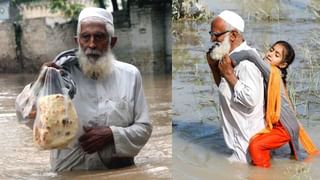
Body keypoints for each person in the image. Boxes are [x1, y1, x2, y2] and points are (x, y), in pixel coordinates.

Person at [15, 7, 152, 171]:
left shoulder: (130, 75)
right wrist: (40, 83)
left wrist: (112, 134)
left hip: (118, 171)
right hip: (71, 173)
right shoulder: (60, 77)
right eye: (85, 37)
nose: (92, 44)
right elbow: (24, 116)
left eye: (99, 37)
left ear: (112, 42)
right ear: (77, 41)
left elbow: (144, 128)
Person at [229, 41, 318, 167]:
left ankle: (264, 173)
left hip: (285, 127)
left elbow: (251, 55)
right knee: (297, 160)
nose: (271, 54)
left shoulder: (271, 72)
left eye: (277, 55)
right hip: (287, 124)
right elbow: (257, 56)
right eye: (271, 50)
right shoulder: (275, 73)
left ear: (283, 64)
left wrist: (229, 60)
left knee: (256, 145)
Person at [206, 10, 265, 163]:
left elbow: (251, 99)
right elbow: (226, 89)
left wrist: (230, 75)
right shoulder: (229, 59)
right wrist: (214, 67)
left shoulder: (246, 63)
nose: (212, 39)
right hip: (238, 145)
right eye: (211, 33)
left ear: (233, 35)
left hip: (247, 148)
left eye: (216, 34)